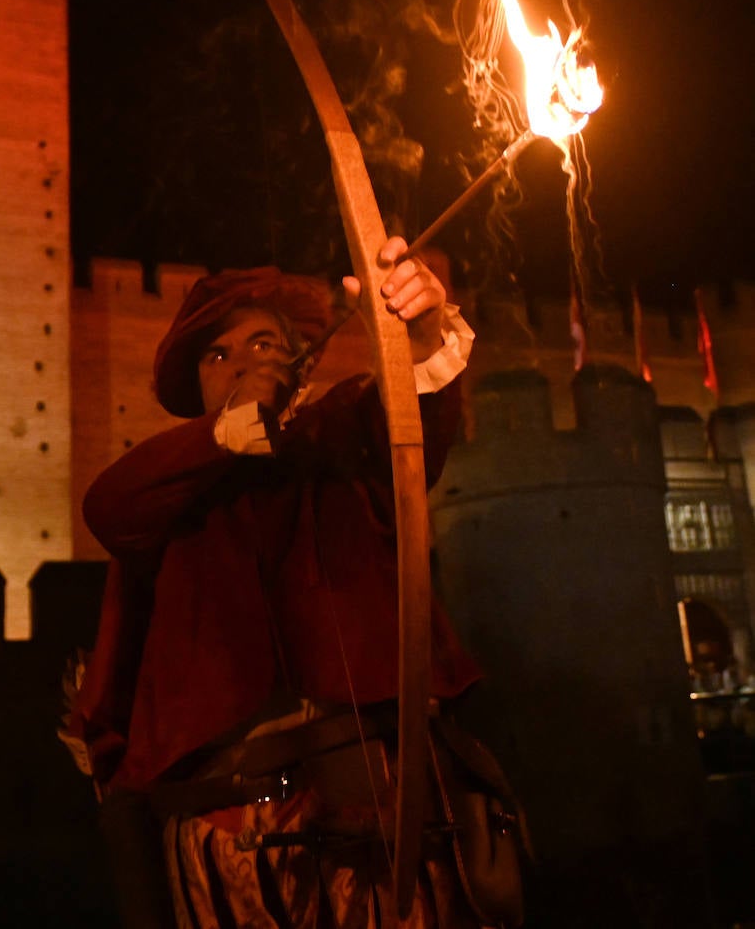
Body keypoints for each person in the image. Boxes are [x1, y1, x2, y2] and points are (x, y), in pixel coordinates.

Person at [67, 239, 523, 929]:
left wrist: (421, 333)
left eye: (262, 344)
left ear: (298, 365)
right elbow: (109, 506)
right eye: (218, 354)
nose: (242, 363)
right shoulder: (172, 484)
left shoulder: (340, 432)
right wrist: (224, 437)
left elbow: (412, 429)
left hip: (380, 822)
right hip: (232, 843)